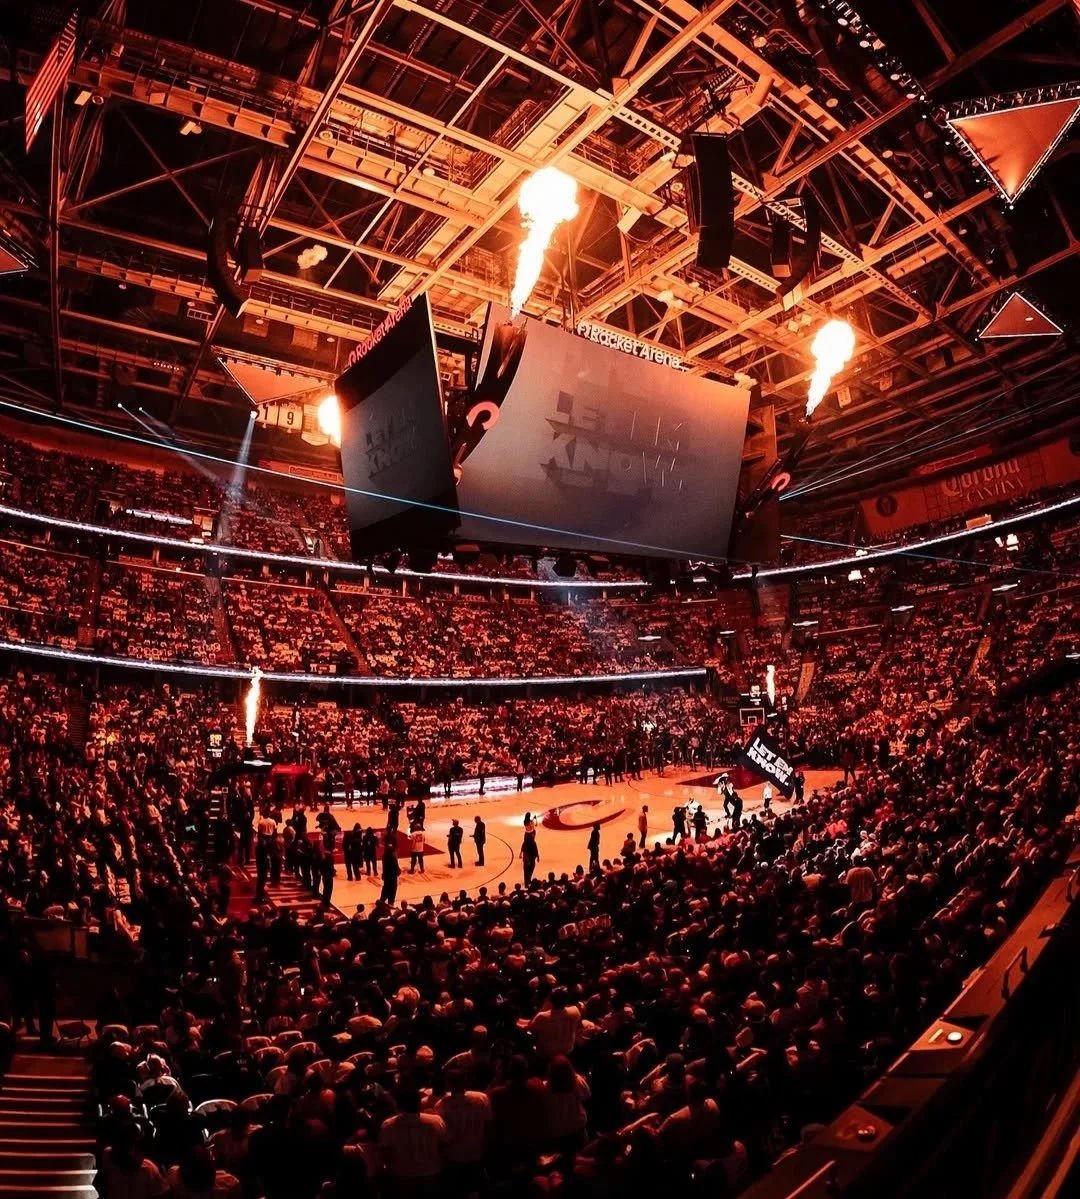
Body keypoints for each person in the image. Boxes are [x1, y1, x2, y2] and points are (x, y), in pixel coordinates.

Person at [377, 1086, 447, 1191]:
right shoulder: (436, 1121)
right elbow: (444, 1146)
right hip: (431, 1172)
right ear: (419, 1103)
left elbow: (385, 1153)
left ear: (399, 1105)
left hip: (402, 1175)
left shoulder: (388, 1125)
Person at [435, 1067, 492, 1194]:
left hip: (453, 1157)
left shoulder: (441, 1105)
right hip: (477, 1153)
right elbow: (489, 1125)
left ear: (448, 1084)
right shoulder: (481, 1098)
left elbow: (442, 1135)